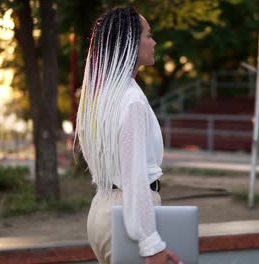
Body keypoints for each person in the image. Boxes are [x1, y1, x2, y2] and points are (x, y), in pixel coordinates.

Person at [75, 6, 182, 264]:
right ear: (131, 42)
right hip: (128, 216)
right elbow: (135, 178)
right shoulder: (131, 100)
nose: (154, 42)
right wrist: (151, 243)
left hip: (101, 213)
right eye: (148, 35)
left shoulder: (99, 99)